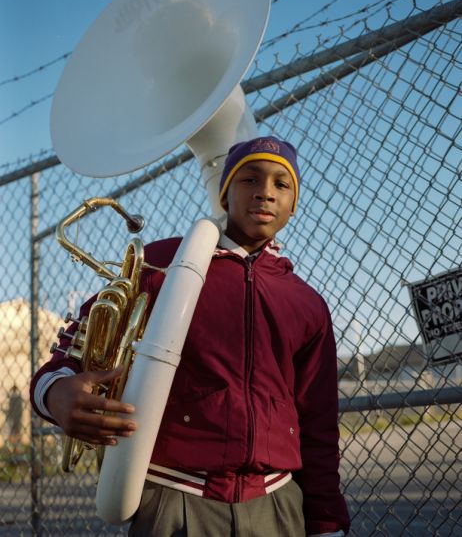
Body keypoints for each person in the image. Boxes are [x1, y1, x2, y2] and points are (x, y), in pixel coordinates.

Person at [30, 136, 350, 536]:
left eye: (281, 184)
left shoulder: (307, 302)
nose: (265, 192)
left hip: (277, 502)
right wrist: (55, 392)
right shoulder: (163, 262)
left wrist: (325, 521)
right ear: (224, 191)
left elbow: (317, 424)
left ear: (294, 202)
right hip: (173, 499)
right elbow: (74, 348)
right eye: (249, 179)